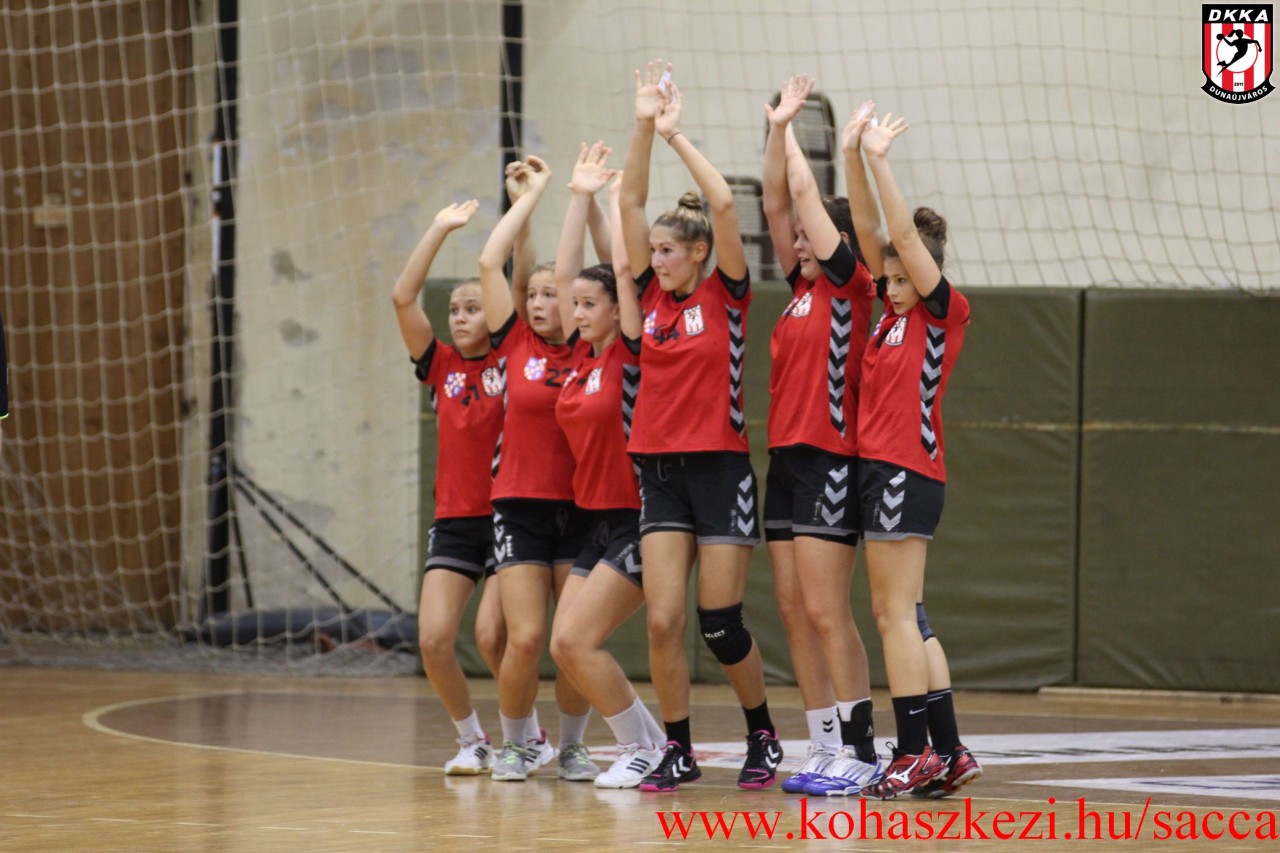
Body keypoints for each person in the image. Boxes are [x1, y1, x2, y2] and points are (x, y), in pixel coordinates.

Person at [619, 61, 781, 792]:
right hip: (659, 471)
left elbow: (720, 202)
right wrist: (641, 124)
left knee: (719, 621)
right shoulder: (649, 298)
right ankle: (677, 748)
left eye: (666, 251)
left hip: (720, 470)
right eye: (652, 251)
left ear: (696, 254)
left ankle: (762, 733)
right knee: (661, 622)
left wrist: (675, 135)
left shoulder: (726, 294)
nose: (655, 260)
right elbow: (629, 199)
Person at [845, 107, 978, 800]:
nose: (890, 288)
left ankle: (912, 752)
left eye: (901, 279)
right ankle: (949, 751)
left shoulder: (941, 311)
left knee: (891, 614)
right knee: (912, 616)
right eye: (888, 280)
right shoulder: (892, 317)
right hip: (887, 471)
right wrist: (850, 153)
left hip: (905, 471)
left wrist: (880, 158)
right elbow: (873, 233)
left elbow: (896, 235)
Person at [760, 75, 880, 797]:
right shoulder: (801, 291)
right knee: (792, 607)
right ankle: (824, 743)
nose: (797, 239)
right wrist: (776, 133)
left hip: (832, 458)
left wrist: (795, 131)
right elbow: (778, 203)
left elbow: (800, 195)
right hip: (785, 459)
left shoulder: (850, 285)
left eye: (810, 234)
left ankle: (861, 749)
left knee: (828, 609)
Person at [476, 154, 600, 783]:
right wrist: (528, 197)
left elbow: (572, 272)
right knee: (523, 639)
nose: (540, 301)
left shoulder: (588, 345)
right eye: (533, 294)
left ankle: (573, 745)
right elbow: (490, 262)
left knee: (571, 639)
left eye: (553, 294)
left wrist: (578, 199)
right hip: (520, 505)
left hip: (580, 509)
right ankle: (517, 744)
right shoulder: (514, 340)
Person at [547, 144, 667, 788]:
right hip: (594, 522)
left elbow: (623, 270)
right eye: (576, 306)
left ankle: (638, 749)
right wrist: (579, 196)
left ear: (619, 311)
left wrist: (617, 208)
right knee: (563, 645)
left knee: (575, 641)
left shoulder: (629, 355)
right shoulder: (581, 358)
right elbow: (570, 277)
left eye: (590, 306)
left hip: (638, 519)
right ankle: (651, 743)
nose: (576, 313)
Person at [390, 199, 507, 775]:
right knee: (434, 640)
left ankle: (526, 735)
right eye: (455, 309)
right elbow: (402, 298)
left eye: (473, 308)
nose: (459, 318)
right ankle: (472, 740)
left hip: (510, 517)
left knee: (494, 638)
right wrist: (437, 228)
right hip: (456, 519)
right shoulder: (439, 365)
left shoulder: (513, 359)